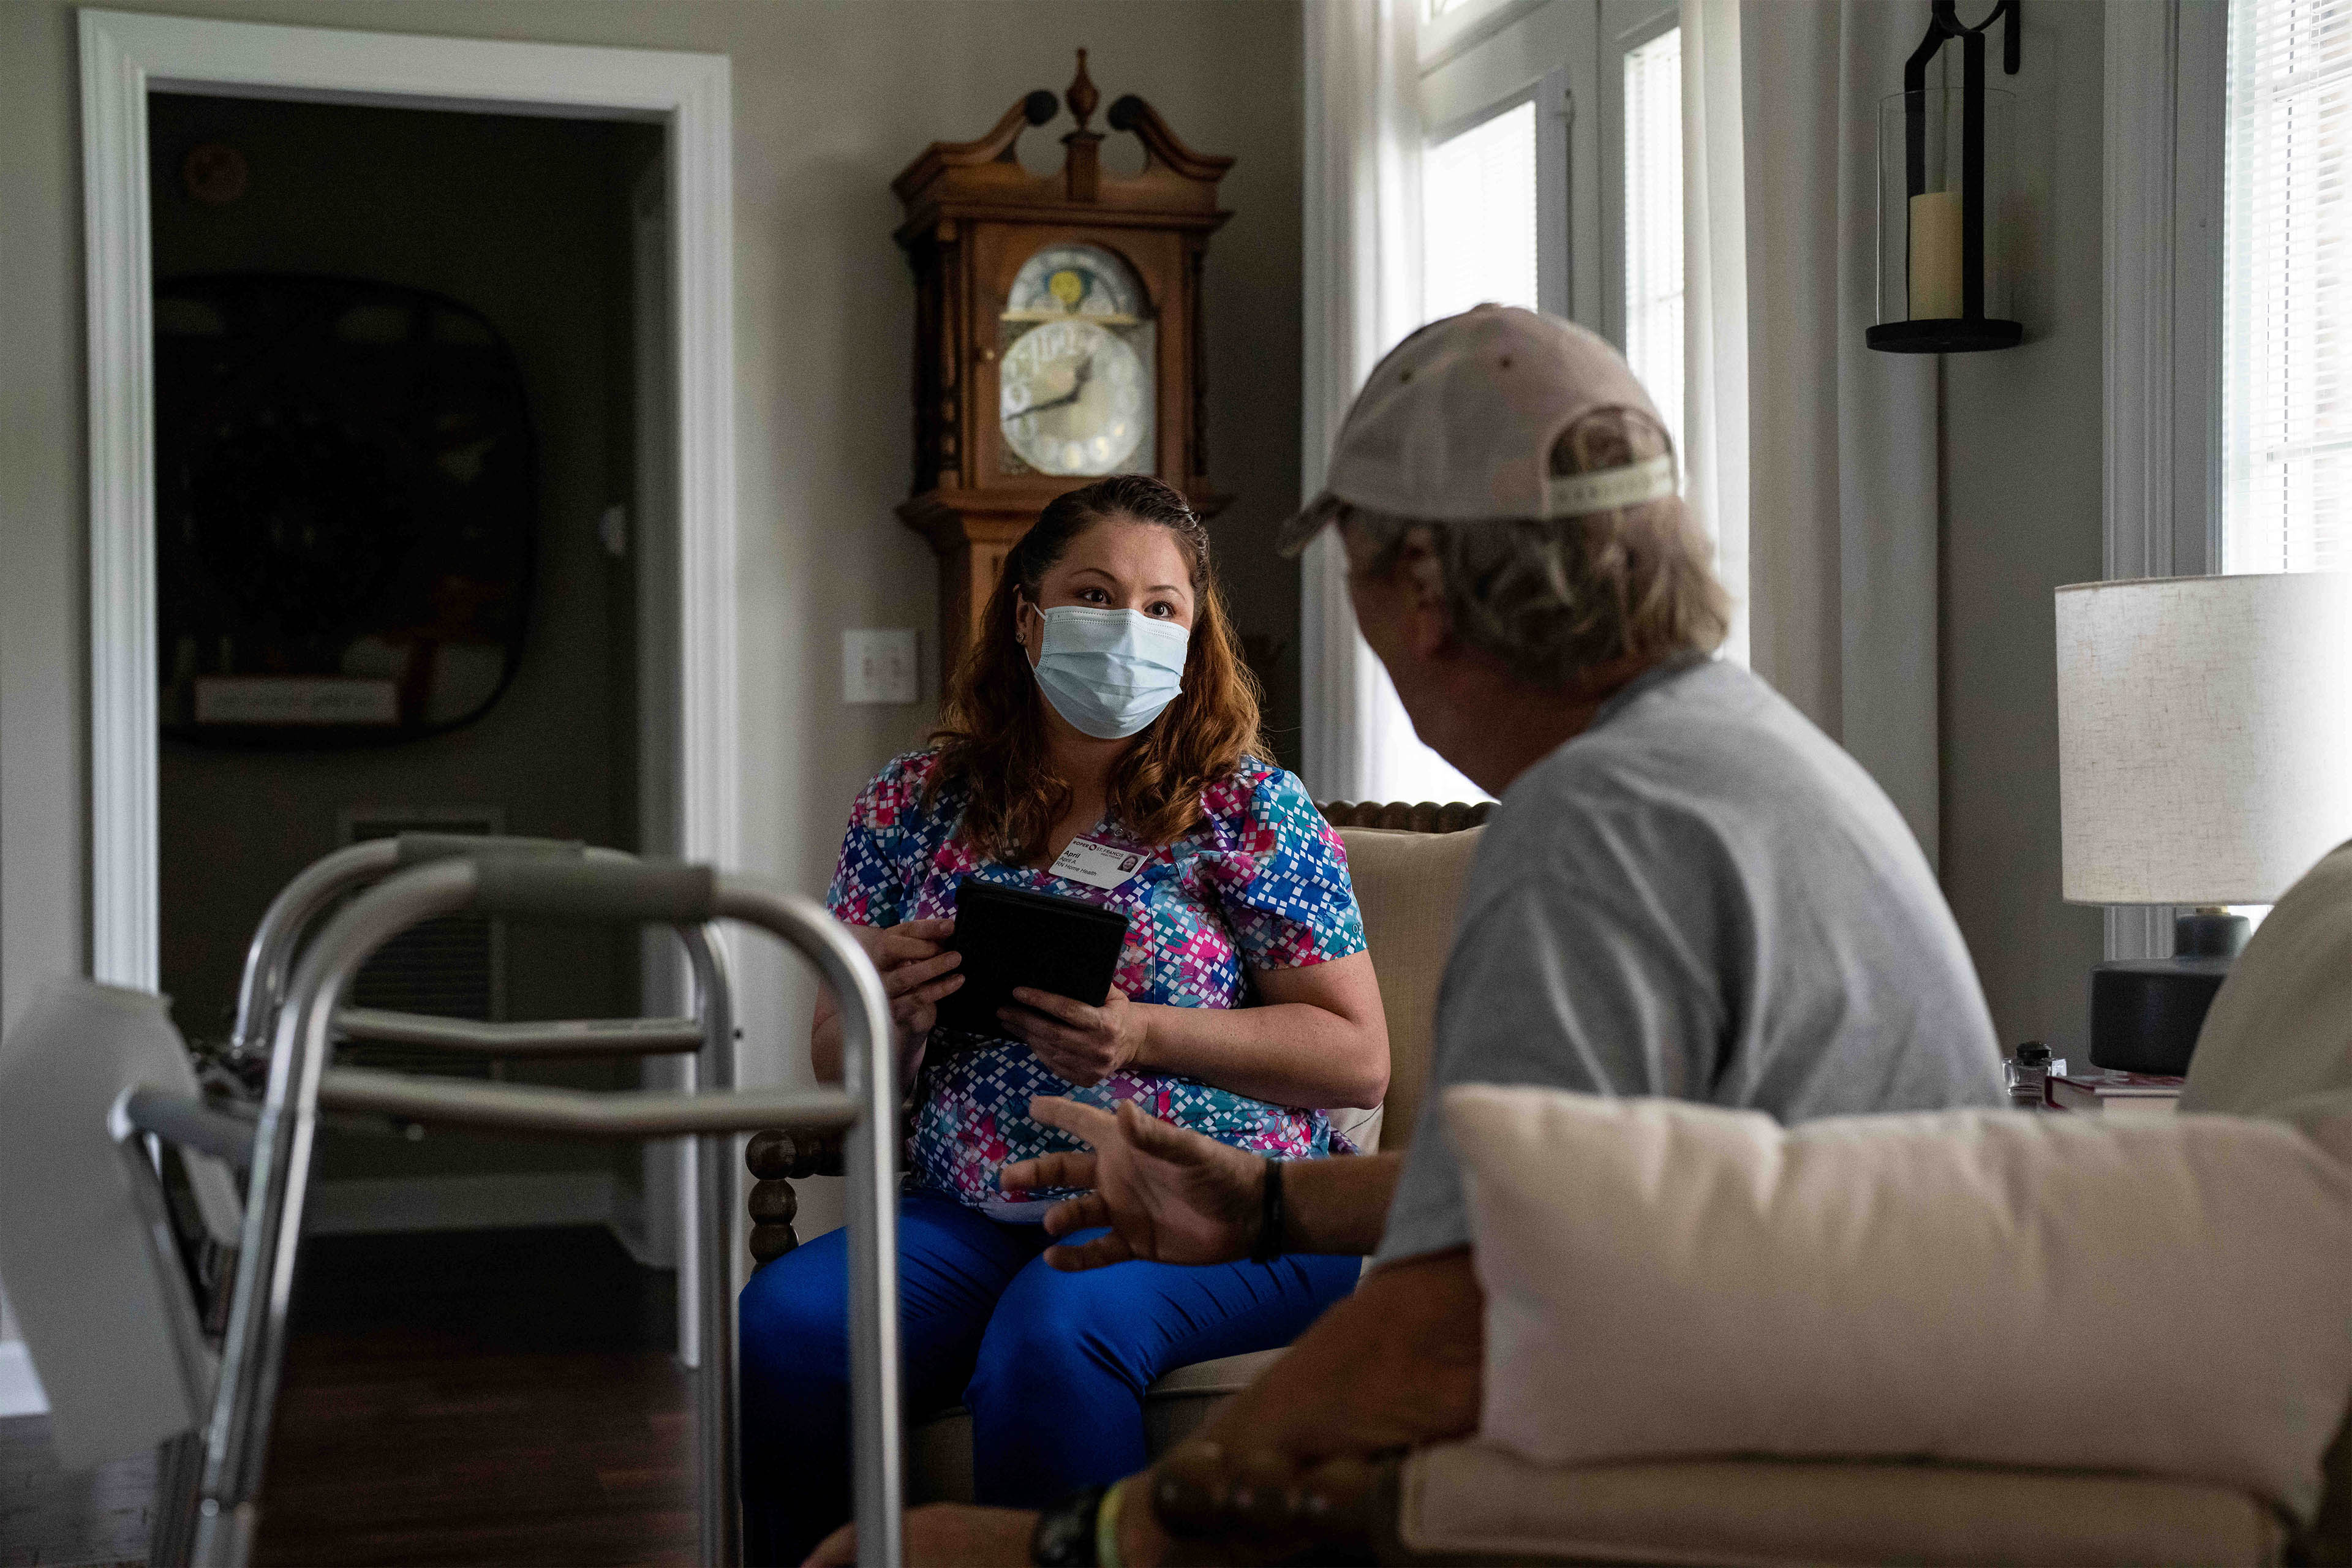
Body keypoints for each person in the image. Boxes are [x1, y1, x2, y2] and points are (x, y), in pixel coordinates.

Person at [805, 306, 2004, 1566]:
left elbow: (1455, 1317)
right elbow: (1553, 1197)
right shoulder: (1731, 751)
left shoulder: (1594, 831)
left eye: (1355, 574)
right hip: (1844, 1389)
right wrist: (1270, 1199)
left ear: (1422, 596)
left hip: (1787, 1452)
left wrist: (1086, 1540)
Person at [739, 473, 1389, 1565]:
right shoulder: (908, 804)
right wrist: (886, 1004)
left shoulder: (1247, 806)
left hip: (1219, 1201)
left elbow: (1358, 1061)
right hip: (974, 1208)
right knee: (794, 1325)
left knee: (1053, 1336)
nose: (1130, 628)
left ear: (1193, 635)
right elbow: (834, 1056)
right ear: (1031, 616)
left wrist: (1147, 1034)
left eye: (1162, 608)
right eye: (1097, 595)